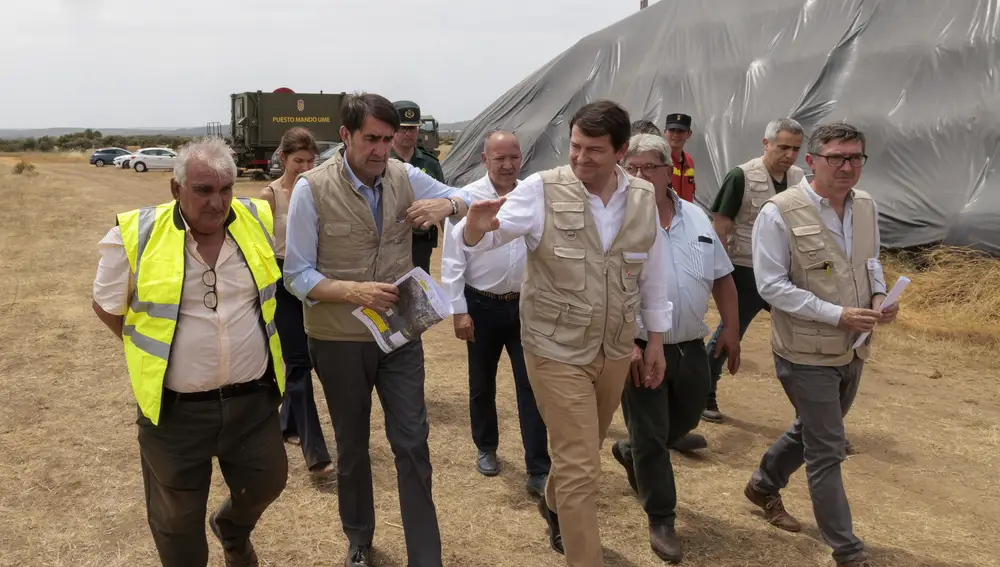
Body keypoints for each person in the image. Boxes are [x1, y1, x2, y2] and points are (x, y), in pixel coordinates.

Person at [454, 100, 672, 567]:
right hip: (554, 349)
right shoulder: (542, 189)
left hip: (614, 348)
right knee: (580, 466)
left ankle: (552, 501)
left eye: (594, 150)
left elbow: (652, 272)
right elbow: (489, 234)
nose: (580, 158)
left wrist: (654, 339)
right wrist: (474, 229)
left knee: (585, 448)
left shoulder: (641, 198)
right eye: (575, 146)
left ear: (621, 151)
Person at [282, 92, 472, 567]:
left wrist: (447, 206)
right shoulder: (311, 188)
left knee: (412, 441)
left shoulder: (403, 175)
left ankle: (425, 556)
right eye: (371, 139)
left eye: (388, 140)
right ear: (345, 136)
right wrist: (353, 291)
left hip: (400, 335)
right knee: (352, 445)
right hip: (338, 339)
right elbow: (296, 274)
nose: (381, 150)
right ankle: (359, 538)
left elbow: (467, 196)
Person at [91, 137, 287, 567]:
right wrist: (158, 352)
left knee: (268, 481)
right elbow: (106, 306)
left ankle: (231, 529)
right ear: (176, 189)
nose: (217, 202)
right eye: (203, 190)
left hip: (252, 404)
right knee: (177, 522)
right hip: (175, 413)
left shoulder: (256, 218)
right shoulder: (135, 233)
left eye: (225, 189)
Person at [743, 122, 896, 567]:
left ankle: (763, 484)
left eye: (855, 157)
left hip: (854, 345)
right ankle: (847, 550)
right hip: (804, 350)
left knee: (814, 428)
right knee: (827, 447)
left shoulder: (865, 205)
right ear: (812, 161)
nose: (847, 167)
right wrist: (837, 314)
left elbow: (870, 261)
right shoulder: (779, 212)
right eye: (836, 158)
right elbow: (771, 286)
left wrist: (880, 297)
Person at [608, 133, 740, 563]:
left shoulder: (697, 217)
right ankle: (661, 518)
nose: (641, 175)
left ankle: (630, 451)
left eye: (650, 167)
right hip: (640, 345)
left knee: (682, 422)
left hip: (690, 345)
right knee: (651, 435)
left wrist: (731, 329)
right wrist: (626, 342)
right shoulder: (617, 221)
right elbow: (607, 289)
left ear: (669, 171)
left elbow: (722, 276)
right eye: (632, 168)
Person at [440, 130, 551, 495]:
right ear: (484, 160)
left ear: (522, 158)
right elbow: (453, 260)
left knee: (531, 385)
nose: (507, 164)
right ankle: (486, 447)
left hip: (524, 307)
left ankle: (538, 466)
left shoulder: (531, 196)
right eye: (499, 158)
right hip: (481, 305)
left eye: (513, 157)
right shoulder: (468, 200)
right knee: (482, 383)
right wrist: (459, 311)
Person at [703, 118, 806, 422]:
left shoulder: (799, 178)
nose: (789, 155)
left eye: (795, 149)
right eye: (783, 147)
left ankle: (812, 409)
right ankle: (703, 392)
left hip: (785, 270)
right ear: (766, 143)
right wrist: (722, 271)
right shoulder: (742, 176)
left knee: (800, 336)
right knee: (730, 332)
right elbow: (721, 224)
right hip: (746, 269)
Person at [258, 127, 334, 477]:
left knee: (309, 358)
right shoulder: (270, 196)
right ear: (283, 158)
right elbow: (260, 248)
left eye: (310, 161)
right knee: (299, 362)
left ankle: (286, 423)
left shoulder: (318, 191)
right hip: (281, 281)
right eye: (298, 160)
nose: (304, 167)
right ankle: (315, 452)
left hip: (314, 280)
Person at [390, 100, 447, 274]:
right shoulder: (381, 163)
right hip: (390, 242)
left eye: (413, 128)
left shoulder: (431, 164)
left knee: (420, 284)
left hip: (421, 241)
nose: (409, 133)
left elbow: (444, 200)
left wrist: (449, 242)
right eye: (403, 128)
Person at [663, 113, 696, 203]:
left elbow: (691, 191)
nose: (676, 135)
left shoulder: (689, 161)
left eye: (680, 131)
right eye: (672, 130)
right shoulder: (660, 160)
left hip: (686, 210)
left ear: (689, 134)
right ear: (665, 132)